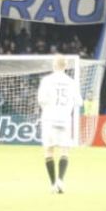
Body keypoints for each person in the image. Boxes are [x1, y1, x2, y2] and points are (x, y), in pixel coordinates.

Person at [38, 55, 82, 194]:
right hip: (64, 119)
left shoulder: (47, 80)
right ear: (65, 66)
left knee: (49, 151)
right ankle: (60, 181)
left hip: (49, 119)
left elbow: (41, 100)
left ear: (54, 65)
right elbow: (79, 102)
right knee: (65, 151)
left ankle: (52, 184)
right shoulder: (71, 82)